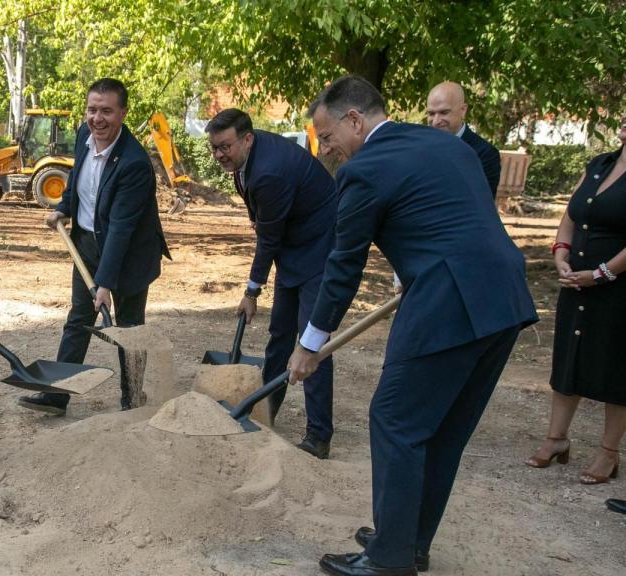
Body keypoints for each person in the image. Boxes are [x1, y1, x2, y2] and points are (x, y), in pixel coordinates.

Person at [288, 75, 537, 576]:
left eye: (328, 136)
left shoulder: (364, 171)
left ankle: (388, 559)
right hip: (505, 298)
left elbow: (344, 266)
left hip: (448, 301)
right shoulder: (446, 145)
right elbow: (441, 216)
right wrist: (411, 271)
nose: (327, 149)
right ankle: (409, 540)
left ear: (354, 119)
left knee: (395, 419)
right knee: (443, 429)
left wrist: (309, 343)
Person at [16, 78, 170, 417]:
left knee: (129, 328)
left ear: (123, 114)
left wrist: (105, 283)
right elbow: (77, 182)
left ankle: (132, 398)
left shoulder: (133, 163)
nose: (97, 119)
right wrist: (63, 208)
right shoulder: (84, 136)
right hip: (86, 243)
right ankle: (57, 395)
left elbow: (121, 228)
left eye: (106, 111)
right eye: (92, 110)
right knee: (78, 319)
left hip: (130, 254)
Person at [205, 108, 338, 459]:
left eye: (225, 146)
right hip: (294, 246)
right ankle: (266, 411)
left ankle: (318, 435)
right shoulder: (248, 158)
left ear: (247, 138)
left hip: (320, 249)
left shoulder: (269, 172)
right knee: (280, 332)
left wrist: (252, 290)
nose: (219, 155)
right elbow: (265, 224)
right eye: (214, 147)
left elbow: (268, 238)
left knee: (312, 340)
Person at [525, 115, 626, 485]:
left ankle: (608, 452)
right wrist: (561, 254)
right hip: (577, 281)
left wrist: (602, 274)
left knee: (617, 367)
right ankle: (556, 438)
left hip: (617, 287)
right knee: (569, 355)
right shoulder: (600, 164)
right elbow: (571, 214)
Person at [426, 81, 502, 198]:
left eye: (444, 112)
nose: (436, 121)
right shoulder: (420, 147)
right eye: (431, 114)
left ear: (463, 110)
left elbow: (482, 202)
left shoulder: (484, 154)